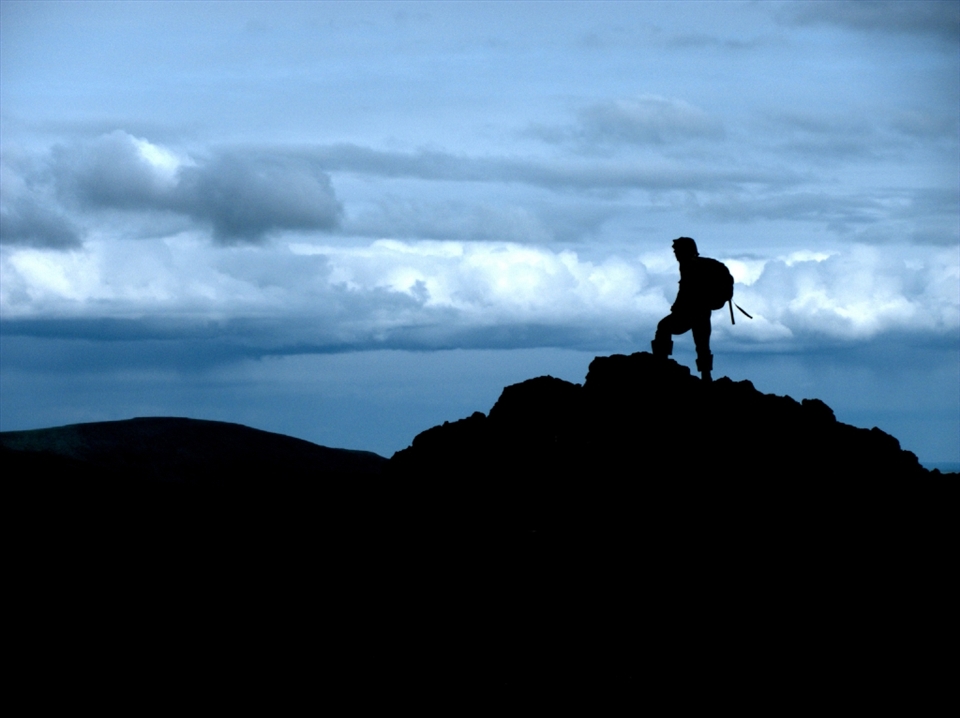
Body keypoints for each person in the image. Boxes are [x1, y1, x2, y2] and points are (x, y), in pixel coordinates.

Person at [651, 237, 715, 382]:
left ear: (684, 250)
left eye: (676, 250)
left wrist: (677, 307)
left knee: (663, 327)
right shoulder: (698, 264)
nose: (675, 253)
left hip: (690, 312)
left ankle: (661, 362)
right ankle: (706, 376)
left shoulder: (688, 265)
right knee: (702, 345)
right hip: (703, 312)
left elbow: (686, 289)